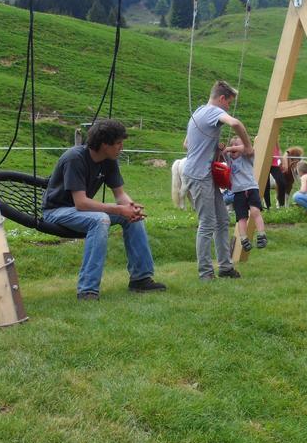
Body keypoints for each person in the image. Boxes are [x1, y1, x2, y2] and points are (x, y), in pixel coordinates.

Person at [41, 119, 166, 300]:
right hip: (57, 211)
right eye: (118, 143)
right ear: (104, 144)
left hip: (80, 211)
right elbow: (81, 203)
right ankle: (87, 289)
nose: (121, 147)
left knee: (132, 217)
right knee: (100, 219)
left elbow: (120, 195)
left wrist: (130, 208)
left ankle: (141, 279)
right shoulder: (74, 158)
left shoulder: (109, 160)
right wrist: (118, 210)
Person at [183, 80, 254, 280]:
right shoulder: (214, 112)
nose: (228, 107)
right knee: (207, 223)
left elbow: (186, 144)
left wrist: (213, 149)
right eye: (229, 103)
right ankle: (205, 272)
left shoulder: (198, 112)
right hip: (199, 175)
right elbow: (236, 123)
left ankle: (225, 267)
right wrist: (248, 147)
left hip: (202, 173)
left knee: (222, 219)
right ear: (221, 98)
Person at [225, 135, 268, 251]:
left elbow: (247, 148)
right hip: (238, 191)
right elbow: (220, 152)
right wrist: (223, 148)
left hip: (251, 188)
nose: (234, 147)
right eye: (232, 144)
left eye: (237, 144)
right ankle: (244, 239)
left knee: (255, 211)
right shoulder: (229, 158)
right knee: (241, 217)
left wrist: (230, 148)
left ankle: (261, 235)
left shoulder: (247, 156)